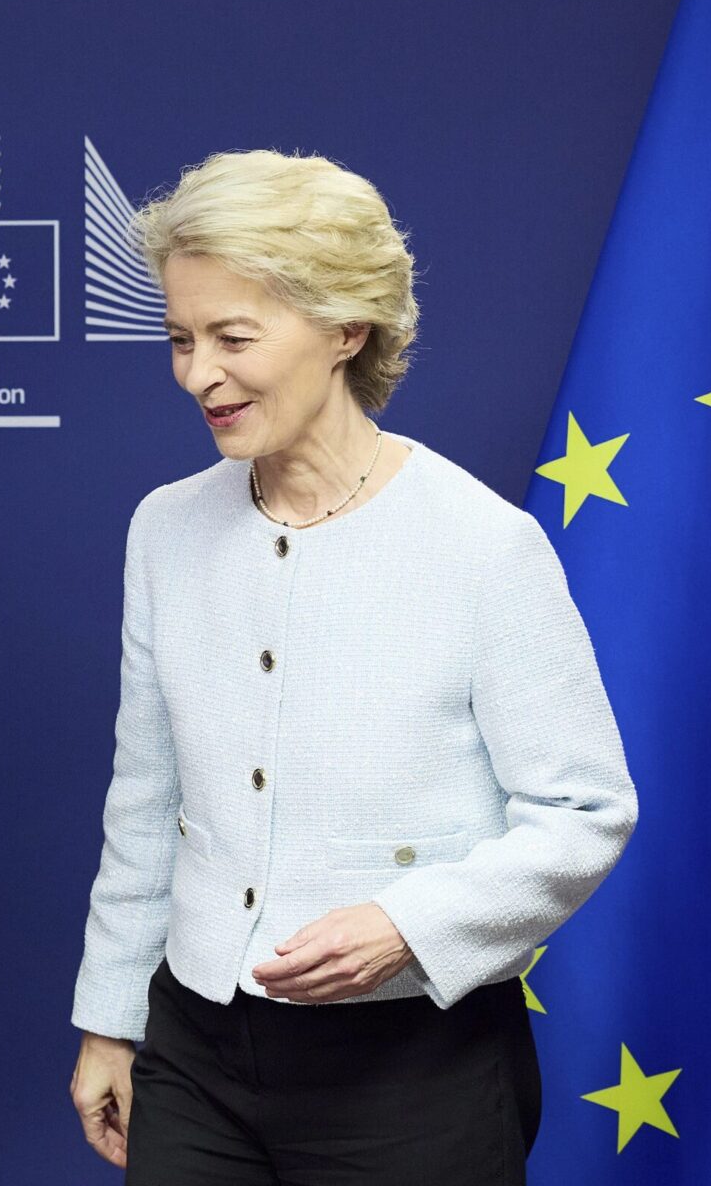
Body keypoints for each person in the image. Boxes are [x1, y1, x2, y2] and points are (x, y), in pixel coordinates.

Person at [68, 150, 636, 1183]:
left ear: (345, 328)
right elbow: (147, 799)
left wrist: (406, 926)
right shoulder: (164, 529)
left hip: (415, 1069)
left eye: (233, 337)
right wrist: (111, 1017)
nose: (197, 374)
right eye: (181, 338)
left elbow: (585, 810)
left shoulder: (484, 545)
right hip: (195, 1053)